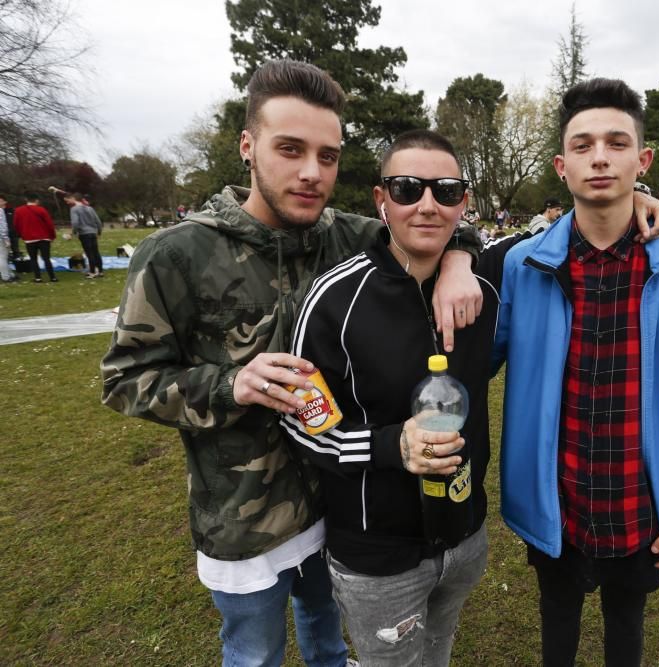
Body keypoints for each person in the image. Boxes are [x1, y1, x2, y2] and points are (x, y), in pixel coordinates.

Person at [100, 60, 485, 667]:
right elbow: (125, 380)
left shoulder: (345, 234)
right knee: (254, 653)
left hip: (337, 506)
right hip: (245, 517)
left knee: (327, 639)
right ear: (248, 147)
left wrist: (461, 258)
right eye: (290, 149)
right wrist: (233, 385)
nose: (311, 173)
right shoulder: (176, 254)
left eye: (327, 156)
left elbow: (427, 221)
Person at [493, 78, 659, 667]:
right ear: (562, 165)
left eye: (615, 142)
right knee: (557, 630)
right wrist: (456, 255)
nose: (599, 157)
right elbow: (479, 357)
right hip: (555, 500)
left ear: (642, 158)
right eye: (582, 145)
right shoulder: (521, 265)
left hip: (643, 502)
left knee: (626, 631)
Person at [279, 130, 517, 666]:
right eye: (408, 189)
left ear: (465, 202)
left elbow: (569, 231)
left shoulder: (485, 293)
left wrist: (643, 199)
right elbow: (300, 424)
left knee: (438, 648)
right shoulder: (334, 301)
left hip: (464, 533)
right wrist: (391, 448)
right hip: (376, 552)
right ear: (380, 199)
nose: (428, 205)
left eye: (447, 190)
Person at [13, 193, 57, 283]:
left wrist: (21, 234)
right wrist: (52, 235)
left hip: (29, 238)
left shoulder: (18, 210)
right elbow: (49, 224)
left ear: (26, 199)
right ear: (37, 200)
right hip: (44, 237)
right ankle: (52, 277)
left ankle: (38, 277)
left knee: (33, 258)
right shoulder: (41, 210)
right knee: (46, 258)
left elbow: (16, 224)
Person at [64, 192, 104, 278]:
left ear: (73, 198)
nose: (67, 203)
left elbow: (75, 223)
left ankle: (92, 272)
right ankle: (100, 271)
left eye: (68, 201)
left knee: (89, 253)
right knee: (96, 252)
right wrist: (99, 232)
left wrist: (72, 233)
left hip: (84, 234)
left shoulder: (74, 209)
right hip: (93, 233)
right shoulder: (90, 208)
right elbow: (98, 222)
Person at [0, 195, 11, 282]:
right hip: (1, 238)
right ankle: (6, 277)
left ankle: (9, 274)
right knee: (3, 257)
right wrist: (5, 238)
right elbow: (3, 226)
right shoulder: (0, 211)